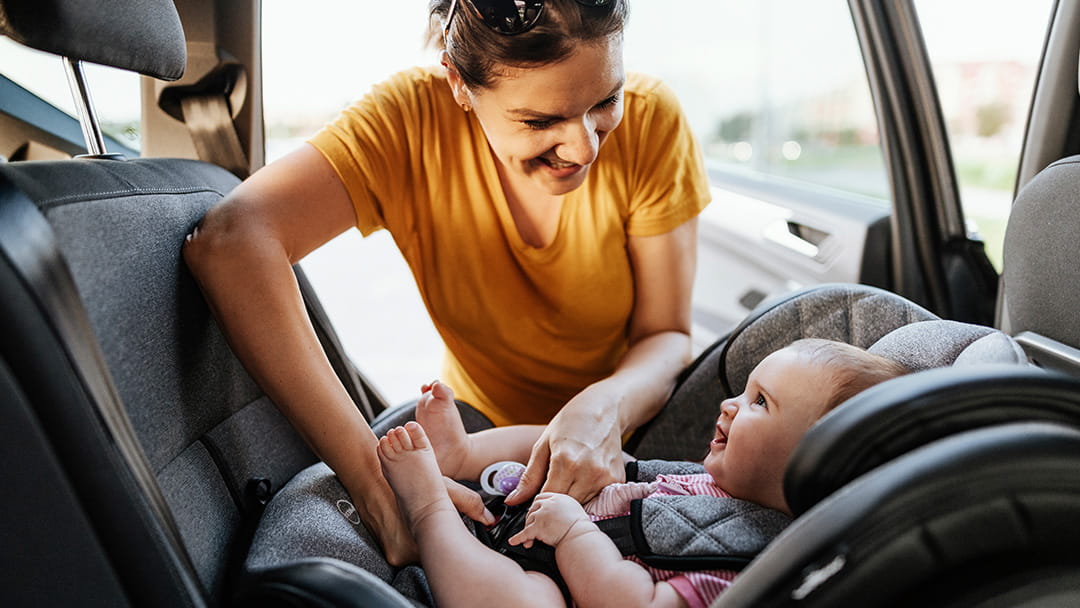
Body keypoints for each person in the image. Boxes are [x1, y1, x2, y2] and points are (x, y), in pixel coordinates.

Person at [183, 0, 710, 565]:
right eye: (539, 121)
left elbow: (666, 335)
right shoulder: (409, 122)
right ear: (459, 82)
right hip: (486, 430)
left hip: (634, 419)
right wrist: (376, 488)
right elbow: (231, 242)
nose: (586, 148)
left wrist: (602, 408)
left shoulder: (656, 120)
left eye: (606, 101)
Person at [377, 339, 911, 607]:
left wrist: (574, 533)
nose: (727, 405)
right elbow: (632, 485)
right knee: (563, 441)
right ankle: (462, 456)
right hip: (546, 512)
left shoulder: (745, 566)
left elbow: (637, 601)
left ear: (812, 463)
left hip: (559, 580)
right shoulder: (714, 483)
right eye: (742, 390)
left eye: (759, 403)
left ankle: (426, 514)